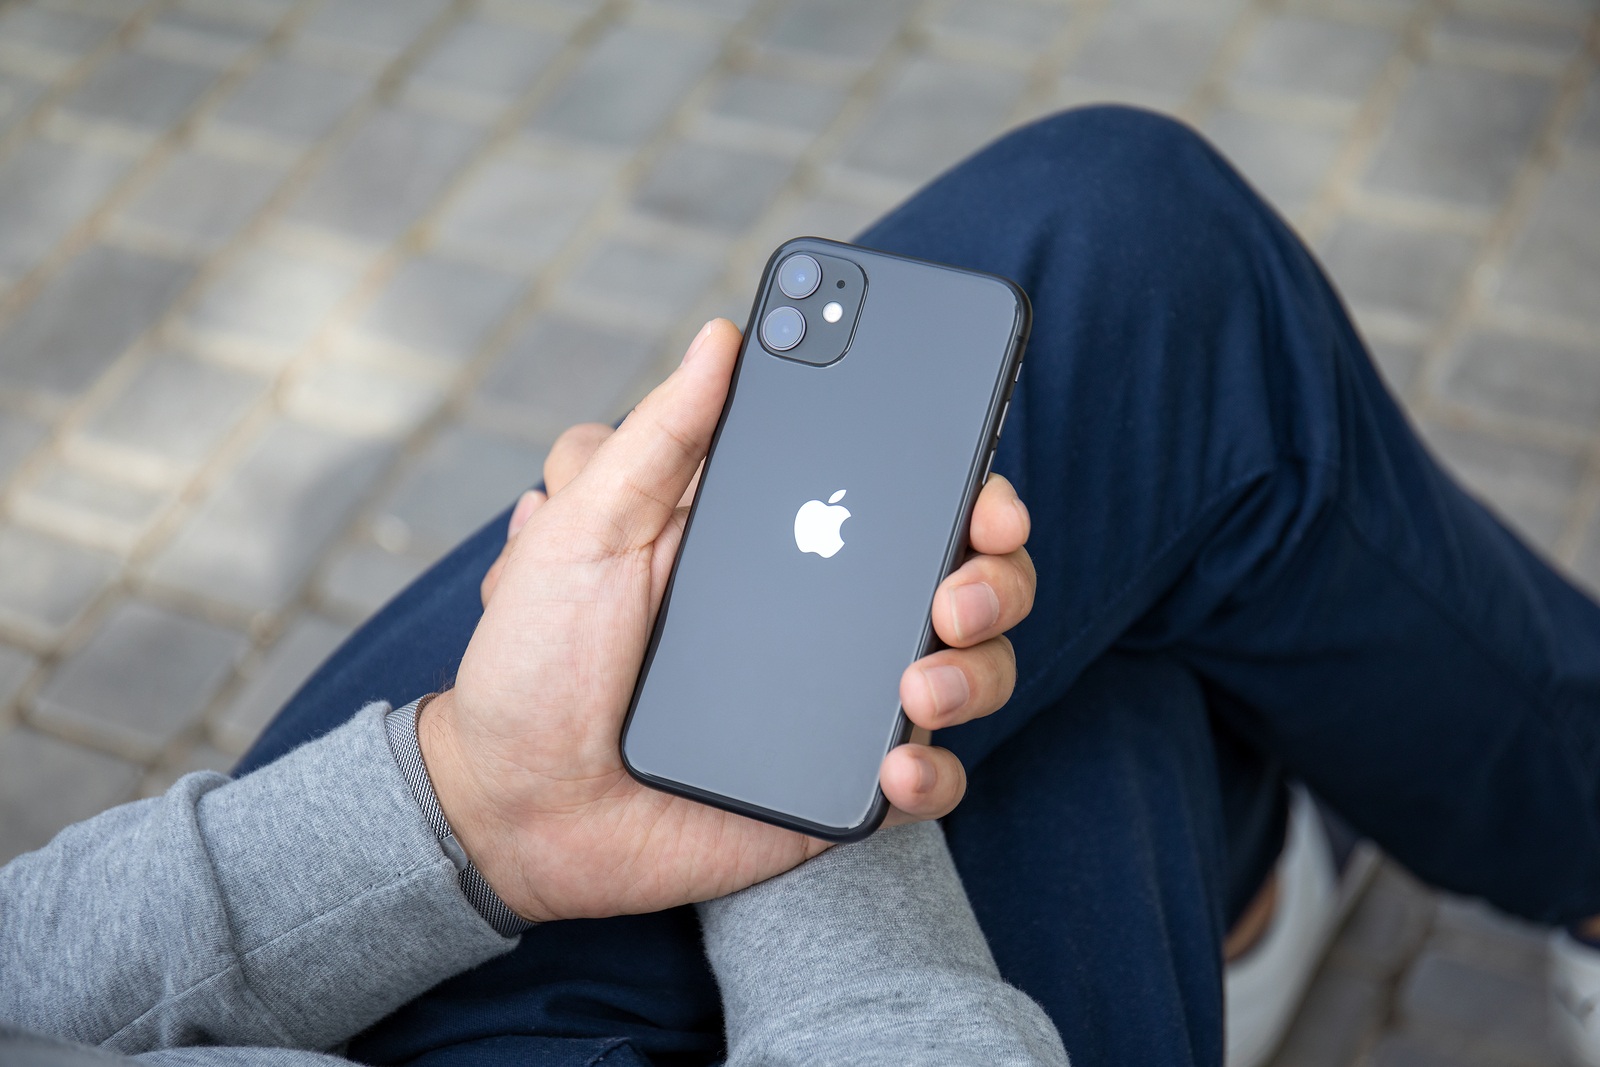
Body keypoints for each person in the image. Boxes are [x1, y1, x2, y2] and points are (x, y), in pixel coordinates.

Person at [3, 104, 1599, 1066]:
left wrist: (481, 804)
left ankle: (1241, 897)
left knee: (1130, 262)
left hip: (285, 996)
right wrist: (807, 834)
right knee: (1087, 667)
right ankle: (1262, 869)